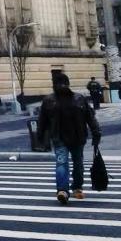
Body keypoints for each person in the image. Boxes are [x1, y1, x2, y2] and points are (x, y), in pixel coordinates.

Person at [36, 73, 101, 205]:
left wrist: (40, 137)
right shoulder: (78, 98)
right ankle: (75, 188)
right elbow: (90, 118)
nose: (61, 86)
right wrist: (96, 132)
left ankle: (64, 190)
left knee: (63, 164)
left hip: (63, 138)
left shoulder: (49, 100)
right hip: (74, 137)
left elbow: (42, 121)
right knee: (77, 163)